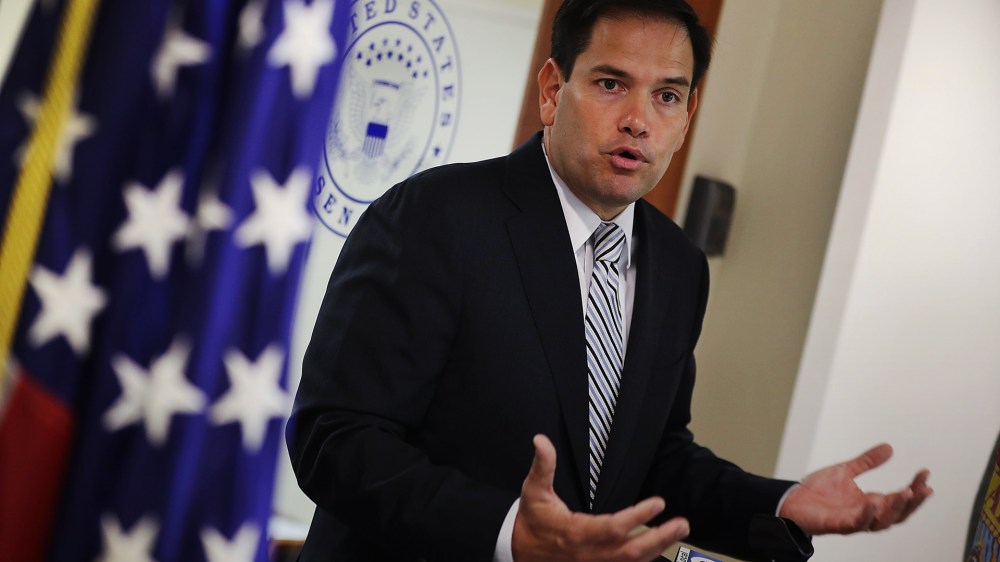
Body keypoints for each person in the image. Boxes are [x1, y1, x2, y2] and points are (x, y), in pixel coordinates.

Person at [287, 1, 932, 560]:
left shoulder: (678, 266)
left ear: (687, 114)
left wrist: (783, 503)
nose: (638, 120)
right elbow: (334, 437)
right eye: (611, 84)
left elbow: (656, 459)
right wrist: (510, 533)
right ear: (552, 89)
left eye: (667, 96)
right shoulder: (436, 216)